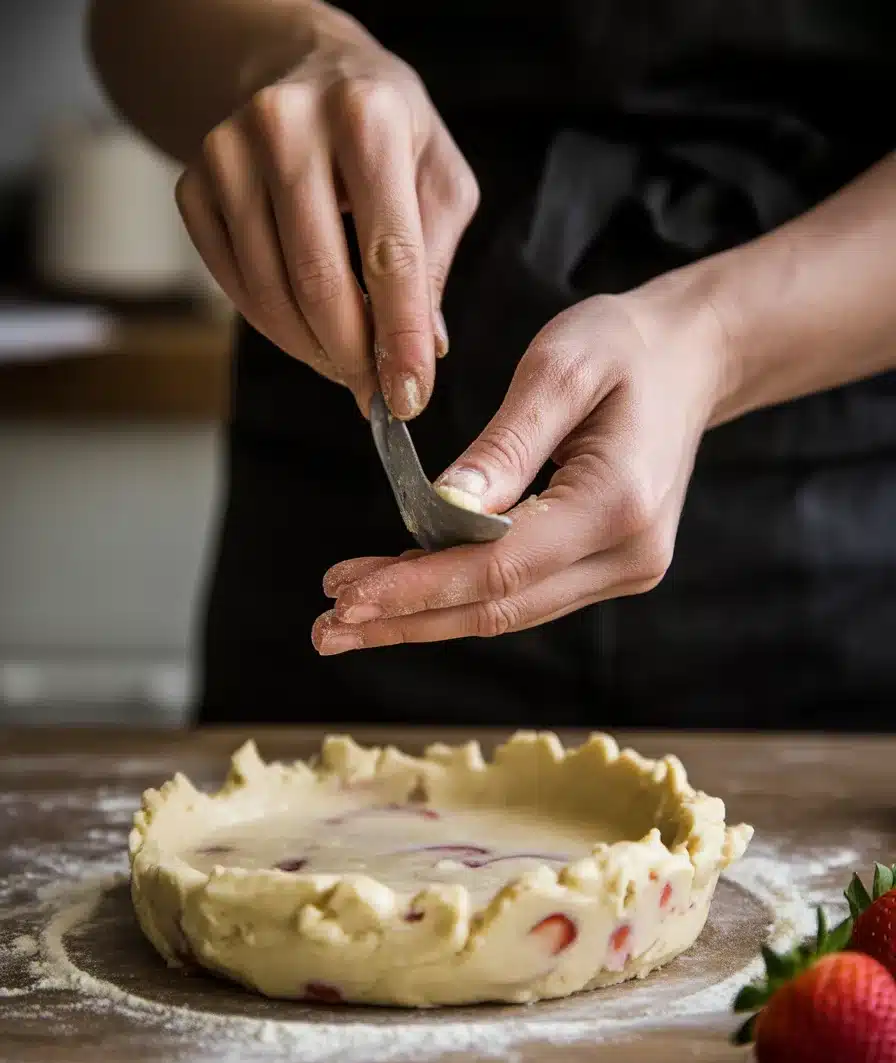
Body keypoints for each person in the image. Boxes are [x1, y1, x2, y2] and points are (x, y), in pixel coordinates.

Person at [88, 1, 896, 731]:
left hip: (825, 547)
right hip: (337, 525)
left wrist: (721, 334)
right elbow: (135, 22)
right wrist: (287, 54)